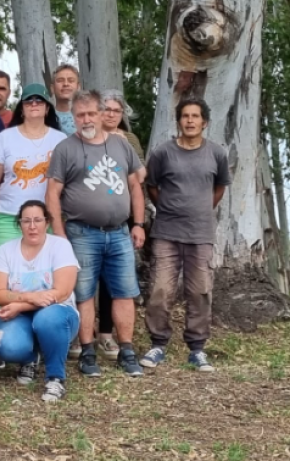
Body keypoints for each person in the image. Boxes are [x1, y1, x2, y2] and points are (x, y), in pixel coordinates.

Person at [45, 90, 146, 378]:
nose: (86, 119)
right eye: (80, 115)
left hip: (120, 233)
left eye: (91, 113)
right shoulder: (66, 148)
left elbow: (136, 186)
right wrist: (59, 233)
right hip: (81, 232)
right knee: (84, 294)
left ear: (102, 114)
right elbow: (52, 192)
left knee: (125, 293)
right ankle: (88, 352)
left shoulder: (120, 144)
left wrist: (138, 224)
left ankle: (126, 350)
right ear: (73, 118)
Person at [140, 98, 232, 372]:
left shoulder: (216, 154)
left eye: (195, 116)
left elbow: (219, 188)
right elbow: (151, 186)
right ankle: (158, 344)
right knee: (160, 289)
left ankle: (197, 348)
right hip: (167, 232)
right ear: (178, 121)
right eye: (185, 116)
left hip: (201, 233)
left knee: (200, 290)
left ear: (204, 122)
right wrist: (168, 208)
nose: (190, 121)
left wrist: (201, 209)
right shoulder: (162, 153)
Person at [0, 83, 66, 329]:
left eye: (39, 101)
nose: (34, 105)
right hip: (8, 216)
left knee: (44, 277)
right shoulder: (5, 137)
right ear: (21, 107)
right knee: (3, 278)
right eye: (29, 101)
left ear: (47, 107)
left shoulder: (60, 139)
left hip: (46, 218)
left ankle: (43, 329)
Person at [0, 201, 80, 401]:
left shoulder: (60, 245)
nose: (32, 226)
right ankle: (29, 358)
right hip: (20, 316)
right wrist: (30, 297)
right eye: (26, 221)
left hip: (58, 314)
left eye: (38, 220)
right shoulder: (6, 250)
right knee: (8, 345)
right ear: (19, 224)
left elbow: (62, 292)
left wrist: (20, 304)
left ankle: (55, 378)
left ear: (46, 223)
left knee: (46, 319)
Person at [85, 89, 147, 360]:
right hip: (89, 220)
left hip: (122, 216)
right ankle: (84, 335)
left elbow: (140, 177)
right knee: (87, 281)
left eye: (116, 110)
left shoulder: (129, 139)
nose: (110, 114)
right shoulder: (87, 137)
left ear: (123, 115)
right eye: (106, 109)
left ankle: (108, 334)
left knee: (114, 282)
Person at [52, 64, 80, 135]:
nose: (66, 84)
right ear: (52, 88)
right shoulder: (45, 119)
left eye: (71, 81)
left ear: (78, 87)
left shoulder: (90, 116)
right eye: (60, 81)